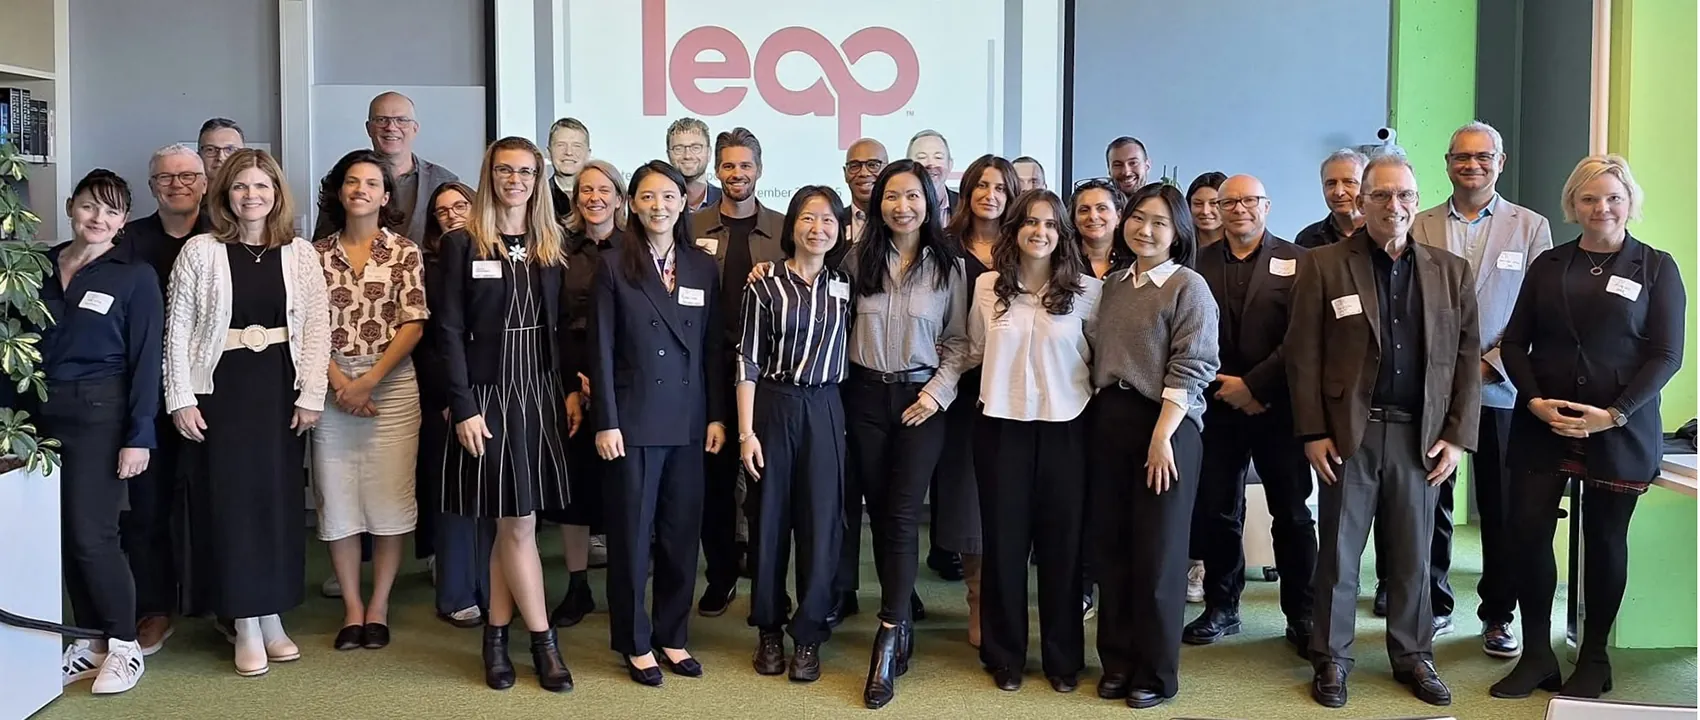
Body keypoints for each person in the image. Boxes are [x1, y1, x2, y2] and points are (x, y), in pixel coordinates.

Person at [1286, 151, 1481, 709]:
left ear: (1417, 202)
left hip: (1422, 438)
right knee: (1341, 556)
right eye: (1381, 195)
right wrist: (1312, 432)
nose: (1393, 205)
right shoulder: (1323, 264)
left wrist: (1457, 435)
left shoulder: (1450, 270)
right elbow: (1303, 356)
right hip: (1351, 434)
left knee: (1414, 556)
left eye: (1404, 196)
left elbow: (1465, 359)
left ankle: (1413, 655)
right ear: (1361, 200)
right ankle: (1332, 658)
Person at [1491, 154, 1685, 700]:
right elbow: (1513, 343)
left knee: (1603, 540)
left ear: (1630, 203)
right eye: (1589, 198)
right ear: (1573, 205)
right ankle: (1535, 657)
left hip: (1618, 426)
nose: (1601, 207)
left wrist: (1615, 413)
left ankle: (1594, 659)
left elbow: (1667, 355)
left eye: (1613, 197)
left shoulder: (1656, 267)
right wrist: (1531, 401)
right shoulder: (1550, 265)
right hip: (1542, 423)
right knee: (1526, 534)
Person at [165, 148, 329, 677]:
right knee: (231, 505)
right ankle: (244, 622)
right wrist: (181, 397)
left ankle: (272, 613)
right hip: (222, 390)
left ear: (277, 194)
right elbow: (179, 331)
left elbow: (318, 329)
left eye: (261, 186)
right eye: (240, 187)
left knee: (277, 503)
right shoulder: (200, 251)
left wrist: (311, 394)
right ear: (225, 195)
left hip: (280, 388)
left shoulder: (300, 253)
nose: (251, 196)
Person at [434, 137, 574, 693]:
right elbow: (446, 330)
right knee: (516, 523)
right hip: (488, 395)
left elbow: (559, 324)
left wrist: (566, 389)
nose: (514, 180)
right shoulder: (463, 243)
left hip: (538, 389)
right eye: (504, 170)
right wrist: (463, 405)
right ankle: (543, 642)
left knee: (513, 521)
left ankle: (495, 636)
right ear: (488, 175)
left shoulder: (550, 242)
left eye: (525, 172)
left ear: (538, 179)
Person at [1408, 121, 1554, 653]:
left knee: (1501, 507)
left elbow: (1540, 311)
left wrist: (1490, 364)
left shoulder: (1531, 226)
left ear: (1501, 161)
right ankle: (1435, 604)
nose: (1472, 165)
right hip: (1433, 389)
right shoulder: (1420, 224)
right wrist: (1446, 367)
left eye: (1482, 156)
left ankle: (1498, 614)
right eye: (1461, 157)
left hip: (1501, 388)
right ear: (1447, 164)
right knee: (1432, 500)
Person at [589, 160, 728, 686]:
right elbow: (600, 349)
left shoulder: (699, 266)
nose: (659, 207)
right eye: (648, 197)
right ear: (633, 204)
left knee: (679, 536)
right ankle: (635, 640)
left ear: (684, 201)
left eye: (668, 196)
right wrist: (606, 420)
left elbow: (712, 349)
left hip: (690, 422)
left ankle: (672, 635)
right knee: (631, 537)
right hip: (633, 422)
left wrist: (716, 415)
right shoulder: (613, 265)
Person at [842, 159, 969, 710]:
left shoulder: (951, 267)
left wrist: (934, 395)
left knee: (901, 512)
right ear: (878, 204)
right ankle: (899, 613)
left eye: (913, 196)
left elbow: (960, 342)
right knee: (877, 508)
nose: (902, 206)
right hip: (866, 396)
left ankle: (888, 633)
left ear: (931, 201)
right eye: (892, 197)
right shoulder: (855, 260)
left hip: (922, 400)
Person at [1087, 183, 1218, 710]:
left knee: (1159, 555)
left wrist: (1161, 436)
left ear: (1178, 231)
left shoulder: (1189, 287)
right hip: (1111, 421)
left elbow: (1194, 366)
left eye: (1160, 222)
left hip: (1167, 426)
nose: (1145, 229)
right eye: (1138, 218)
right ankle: (1116, 661)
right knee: (1112, 550)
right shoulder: (1115, 283)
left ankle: (1155, 673)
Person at [965, 189, 1101, 693]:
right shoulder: (985, 287)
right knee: (1004, 545)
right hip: (1001, 427)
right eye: (1029, 222)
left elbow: (1099, 360)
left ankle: (1063, 659)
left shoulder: (1089, 291)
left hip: (1067, 427)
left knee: (1062, 548)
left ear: (1061, 233)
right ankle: (1005, 656)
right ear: (1014, 230)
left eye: (1050, 224)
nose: (1039, 231)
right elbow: (975, 350)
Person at [1184, 175, 1317, 654]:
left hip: (1277, 406)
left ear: (1267, 205)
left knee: (1293, 514)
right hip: (1217, 405)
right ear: (1216, 208)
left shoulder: (1300, 262)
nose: (1238, 208)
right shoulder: (1195, 263)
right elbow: (1190, 332)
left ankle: (1301, 614)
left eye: (1248, 200)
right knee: (1218, 510)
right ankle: (1221, 607)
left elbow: (1303, 337)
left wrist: (1254, 386)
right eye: (1228, 202)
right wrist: (1227, 387)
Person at [46, 170, 161, 695]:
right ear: (72, 206)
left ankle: (123, 645)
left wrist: (139, 436)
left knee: (95, 534)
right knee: (65, 534)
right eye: (91, 207)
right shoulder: (39, 266)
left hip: (101, 413)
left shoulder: (133, 276)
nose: (99, 219)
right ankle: (89, 642)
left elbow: (144, 364)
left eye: (112, 212)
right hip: (40, 416)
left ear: (123, 221)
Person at [310, 150, 429, 652]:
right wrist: (341, 383)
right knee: (335, 498)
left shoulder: (404, 251)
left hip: (392, 384)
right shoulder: (310, 255)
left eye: (372, 183)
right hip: (327, 381)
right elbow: (305, 327)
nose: (361, 189)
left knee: (389, 498)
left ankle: (378, 606)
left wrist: (368, 382)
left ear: (386, 195)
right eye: (352, 181)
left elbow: (414, 321)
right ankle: (352, 609)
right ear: (340, 192)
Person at [738, 185, 853, 683]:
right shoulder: (764, 284)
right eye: (809, 218)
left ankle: (808, 635)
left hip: (827, 406)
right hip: (774, 406)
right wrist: (747, 432)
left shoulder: (846, 283)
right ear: (793, 226)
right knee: (768, 520)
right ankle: (768, 627)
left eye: (828, 220)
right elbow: (746, 358)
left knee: (821, 525)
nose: (818, 228)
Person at [689, 127, 785, 617]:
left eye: (745, 165)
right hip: (707, 371)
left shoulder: (785, 229)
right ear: (717, 170)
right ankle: (721, 575)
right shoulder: (693, 226)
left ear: (759, 170)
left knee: (766, 482)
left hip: (767, 376)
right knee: (714, 480)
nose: (737, 174)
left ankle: (769, 580)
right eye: (728, 165)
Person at [119, 143, 210, 655]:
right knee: (147, 507)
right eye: (165, 178)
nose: (177, 184)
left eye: (187, 175)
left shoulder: (225, 235)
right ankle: (154, 607)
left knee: (211, 502)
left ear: (204, 180)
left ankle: (220, 604)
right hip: (146, 395)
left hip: (214, 393)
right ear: (151, 186)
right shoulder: (128, 241)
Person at [935, 154, 1021, 644]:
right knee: (969, 502)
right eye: (981, 186)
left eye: (1001, 188)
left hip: (1018, 392)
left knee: (1010, 499)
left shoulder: (1027, 244)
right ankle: (976, 600)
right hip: (960, 391)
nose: (990, 195)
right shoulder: (943, 247)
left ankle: (1005, 600)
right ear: (966, 193)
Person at [542, 158, 628, 628]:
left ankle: (623, 585)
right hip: (572, 383)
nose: (594, 198)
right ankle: (577, 586)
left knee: (622, 488)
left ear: (619, 197)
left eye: (604, 190)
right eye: (585, 191)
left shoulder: (636, 249)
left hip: (623, 384)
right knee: (573, 489)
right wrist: (571, 387)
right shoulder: (558, 249)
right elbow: (552, 325)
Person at [417, 181, 494, 629]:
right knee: (453, 499)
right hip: (446, 399)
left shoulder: (493, 253)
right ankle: (455, 593)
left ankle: (490, 586)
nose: (451, 214)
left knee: (489, 498)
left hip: (491, 391)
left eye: (459, 205)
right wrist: (448, 398)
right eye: (441, 211)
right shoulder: (427, 264)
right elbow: (432, 339)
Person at [314, 92, 460, 248]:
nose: (391, 127)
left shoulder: (444, 181)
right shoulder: (343, 178)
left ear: (415, 128)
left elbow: (460, 242)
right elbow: (321, 244)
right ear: (369, 128)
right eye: (381, 120)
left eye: (401, 120)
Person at [1295, 149, 1367, 249]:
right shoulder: (1307, 239)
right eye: (1331, 183)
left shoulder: (1384, 236)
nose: (1339, 192)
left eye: (1349, 182)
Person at [1072, 178, 1128, 280]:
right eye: (1084, 210)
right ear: (1074, 220)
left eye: (1102, 208)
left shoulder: (1135, 263)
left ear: (1118, 217)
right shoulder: (1061, 263)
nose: (1093, 216)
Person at [666, 117, 722, 213]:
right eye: (678, 148)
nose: (687, 155)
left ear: (709, 153)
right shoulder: (661, 204)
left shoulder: (726, 201)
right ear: (668, 154)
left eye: (696, 148)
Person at [842, 138, 889, 245]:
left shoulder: (901, 221)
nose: (864, 173)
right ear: (845, 173)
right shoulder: (833, 223)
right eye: (854, 166)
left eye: (873, 165)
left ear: (887, 170)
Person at [546, 117, 591, 218]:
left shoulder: (599, 198)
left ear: (588, 154)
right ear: (548, 153)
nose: (569, 152)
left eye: (577, 146)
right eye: (561, 145)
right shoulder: (537, 196)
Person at [906, 129, 957, 218]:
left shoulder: (966, 206)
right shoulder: (898, 207)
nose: (931, 164)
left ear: (950, 165)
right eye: (922, 157)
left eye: (938, 157)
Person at [1186, 171, 1227, 248]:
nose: (1205, 211)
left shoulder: (1245, 250)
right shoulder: (1177, 250)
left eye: (1214, 203)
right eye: (1198, 204)